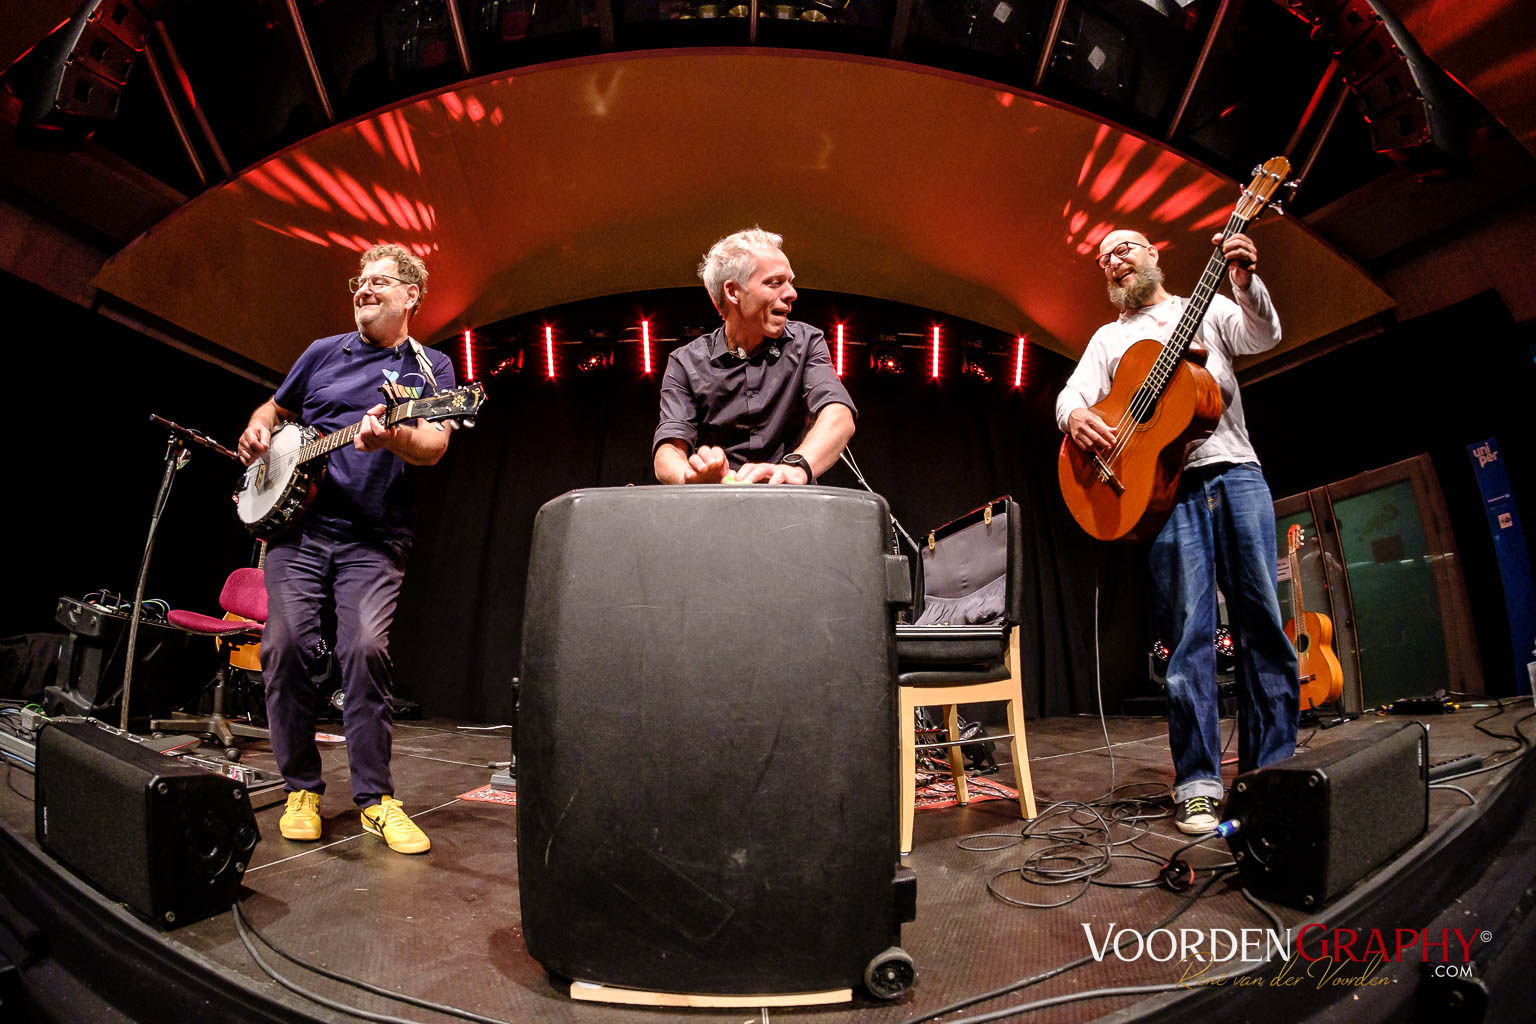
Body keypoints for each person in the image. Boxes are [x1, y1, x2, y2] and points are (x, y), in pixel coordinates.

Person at [1055, 228, 1299, 834]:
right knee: (1187, 636)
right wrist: (1076, 415)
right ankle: (1197, 783)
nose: (1114, 260)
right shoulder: (1108, 338)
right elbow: (1070, 397)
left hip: (1235, 471)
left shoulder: (1204, 307)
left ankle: (1275, 775)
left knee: (1263, 624)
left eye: (1125, 248)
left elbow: (1263, 335)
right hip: (1164, 492)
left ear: (1153, 254)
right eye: (1104, 257)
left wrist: (1245, 283)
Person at [237, 243, 456, 855]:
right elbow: (274, 407)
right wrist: (259, 427)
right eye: (360, 280)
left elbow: (435, 446)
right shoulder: (321, 353)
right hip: (299, 532)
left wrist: (393, 438)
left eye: (380, 281)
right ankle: (301, 789)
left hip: (375, 538)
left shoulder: (432, 367)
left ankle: (375, 799)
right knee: (283, 647)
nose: (364, 288)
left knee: (363, 650)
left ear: (411, 295)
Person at [653, 227, 855, 485]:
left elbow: (838, 414)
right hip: (718, 503)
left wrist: (796, 469)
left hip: (792, 502)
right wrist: (691, 476)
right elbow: (668, 452)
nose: (792, 293)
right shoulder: (685, 361)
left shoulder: (807, 342)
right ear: (733, 292)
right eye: (775, 282)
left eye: (790, 281)